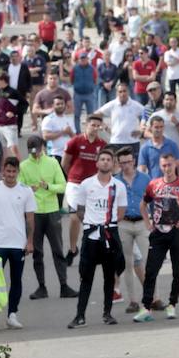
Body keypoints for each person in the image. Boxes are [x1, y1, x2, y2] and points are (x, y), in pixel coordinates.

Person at [134, 153, 179, 322]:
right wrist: (147, 223)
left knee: (177, 270)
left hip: (176, 233)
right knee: (151, 270)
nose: (167, 168)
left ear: (175, 165)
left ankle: (172, 304)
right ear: (160, 166)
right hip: (158, 233)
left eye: (170, 165)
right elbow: (143, 204)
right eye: (164, 165)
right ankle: (146, 307)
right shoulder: (153, 184)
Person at [67, 148, 128, 328]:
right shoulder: (86, 184)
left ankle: (107, 313)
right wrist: (91, 222)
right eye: (102, 159)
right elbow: (79, 209)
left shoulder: (119, 186)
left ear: (113, 164)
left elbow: (121, 212)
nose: (105, 162)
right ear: (97, 162)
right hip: (91, 236)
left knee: (109, 277)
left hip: (110, 234)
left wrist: (107, 223)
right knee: (86, 277)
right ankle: (80, 315)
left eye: (109, 159)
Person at [0, 157, 36, 331]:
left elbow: (30, 219)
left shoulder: (26, 191)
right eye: (7, 171)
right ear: (2, 171)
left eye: (13, 171)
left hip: (18, 243)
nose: (10, 175)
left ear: (18, 172)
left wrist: (30, 241)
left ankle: (12, 314)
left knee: (16, 280)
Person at [19, 135, 78, 301]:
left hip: (52, 212)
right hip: (34, 213)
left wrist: (48, 186)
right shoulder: (24, 166)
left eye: (37, 150)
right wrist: (27, 189)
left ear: (43, 147)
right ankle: (41, 287)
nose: (35, 154)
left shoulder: (52, 162)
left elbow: (62, 186)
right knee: (37, 252)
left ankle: (64, 285)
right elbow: (18, 187)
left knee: (58, 250)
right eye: (31, 151)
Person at [62, 113, 107, 264]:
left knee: (93, 219)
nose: (95, 128)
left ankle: (92, 250)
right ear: (86, 125)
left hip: (93, 186)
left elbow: (104, 165)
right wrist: (73, 178)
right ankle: (73, 249)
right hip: (75, 184)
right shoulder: (75, 141)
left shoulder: (102, 145)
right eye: (92, 125)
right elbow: (65, 163)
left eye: (97, 125)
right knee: (75, 217)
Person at [115, 147, 150, 312]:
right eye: (122, 163)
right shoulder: (115, 181)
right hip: (124, 223)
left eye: (128, 162)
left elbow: (153, 200)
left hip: (142, 222)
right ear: (119, 164)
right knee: (128, 264)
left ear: (134, 161)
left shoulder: (145, 178)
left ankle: (152, 298)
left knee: (148, 262)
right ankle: (133, 301)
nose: (126, 166)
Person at [97, 81, 144, 158]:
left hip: (132, 142)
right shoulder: (112, 104)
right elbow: (96, 114)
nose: (122, 94)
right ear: (117, 93)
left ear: (128, 92)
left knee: (132, 167)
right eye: (120, 91)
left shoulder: (136, 105)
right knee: (115, 167)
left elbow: (149, 116)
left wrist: (141, 130)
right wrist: (105, 126)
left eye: (124, 91)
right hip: (116, 141)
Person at [137, 113, 179, 179]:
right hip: (153, 185)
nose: (159, 130)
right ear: (151, 128)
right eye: (156, 127)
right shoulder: (145, 148)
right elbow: (141, 169)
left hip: (171, 184)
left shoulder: (172, 145)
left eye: (161, 127)